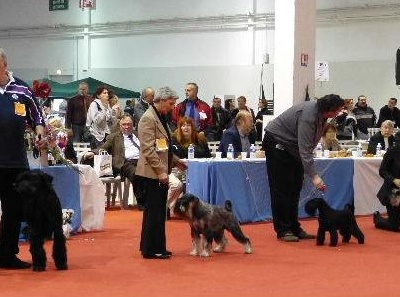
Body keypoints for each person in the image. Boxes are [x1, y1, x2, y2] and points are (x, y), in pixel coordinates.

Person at [262, 94, 345, 242]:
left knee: (295, 188)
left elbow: (307, 146)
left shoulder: (322, 115)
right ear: (329, 109)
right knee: (281, 189)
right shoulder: (309, 117)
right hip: (277, 144)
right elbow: (305, 149)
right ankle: (283, 229)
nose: (339, 113)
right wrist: (314, 176)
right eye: (338, 110)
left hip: (292, 149)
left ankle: (294, 226)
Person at [0, 47, 46, 269]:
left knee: (13, 211)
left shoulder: (22, 88)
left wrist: (39, 131)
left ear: (4, 64)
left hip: (15, 162)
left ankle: (7, 255)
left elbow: (37, 116)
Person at [136, 86, 186, 259]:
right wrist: (161, 172)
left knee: (158, 211)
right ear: (162, 100)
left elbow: (163, 148)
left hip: (159, 170)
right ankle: (151, 249)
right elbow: (148, 150)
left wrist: (176, 161)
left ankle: (155, 246)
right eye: (171, 103)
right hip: (152, 173)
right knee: (154, 211)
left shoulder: (161, 117)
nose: (172, 107)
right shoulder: (148, 119)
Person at [83, 115, 144, 209]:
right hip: (125, 163)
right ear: (120, 126)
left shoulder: (138, 135)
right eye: (124, 124)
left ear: (133, 125)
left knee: (151, 174)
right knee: (137, 174)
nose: (127, 126)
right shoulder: (114, 137)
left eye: (129, 124)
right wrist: (92, 152)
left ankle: (152, 200)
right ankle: (142, 201)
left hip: (142, 161)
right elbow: (103, 148)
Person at [168, 116, 211, 218]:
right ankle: (170, 208)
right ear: (179, 128)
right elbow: (173, 156)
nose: (186, 128)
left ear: (193, 127)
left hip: (199, 170)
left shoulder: (201, 140)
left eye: (188, 125)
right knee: (179, 184)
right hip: (177, 170)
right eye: (183, 125)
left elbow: (208, 156)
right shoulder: (174, 140)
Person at [374, 131, 400, 232]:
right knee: (395, 226)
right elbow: (382, 171)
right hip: (393, 192)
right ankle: (377, 218)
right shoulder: (392, 151)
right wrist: (394, 179)